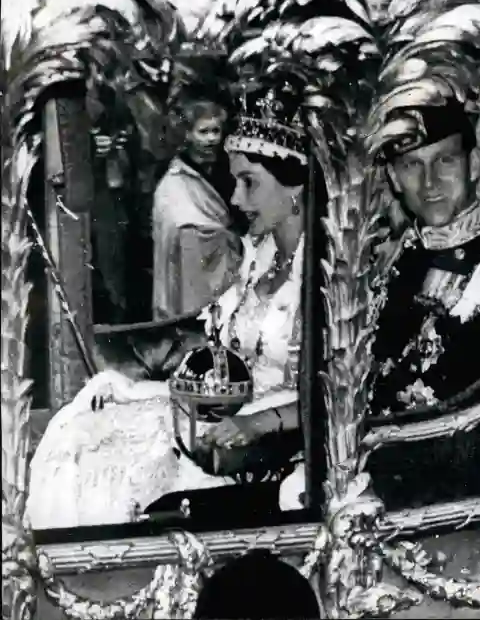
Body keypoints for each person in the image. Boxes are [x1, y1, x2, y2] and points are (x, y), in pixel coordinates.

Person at [26, 86, 310, 529]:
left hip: (266, 437)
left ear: (295, 188)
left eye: (249, 182)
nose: (235, 199)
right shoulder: (261, 254)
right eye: (235, 182)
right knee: (81, 431)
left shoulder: (326, 271)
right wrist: (139, 387)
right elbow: (220, 355)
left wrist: (260, 424)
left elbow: (330, 396)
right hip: (219, 407)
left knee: (120, 472)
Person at [368, 100, 480, 417]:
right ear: (393, 178)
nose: (429, 182)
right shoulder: (392, 260)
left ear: (473, 165)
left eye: (445, 160)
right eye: (412, 165)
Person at [152, 98, 245, 320]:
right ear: (188, 135)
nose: (211, 138)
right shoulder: (174, 180)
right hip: (191, 272)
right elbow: (173, 221)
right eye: (203, 132)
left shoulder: (230, 170)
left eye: (216, 131)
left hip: (230, 267)